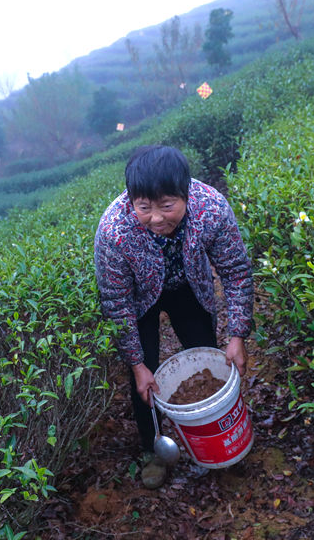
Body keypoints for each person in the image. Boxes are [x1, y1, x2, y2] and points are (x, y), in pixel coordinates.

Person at [93, 145, 253, 489]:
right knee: (145, 380)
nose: (156, 218)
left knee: (207, 358)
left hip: (187, 286)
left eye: (167, 206)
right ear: (131, 200)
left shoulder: (210, 208)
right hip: (138, 300)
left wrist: (237, 335)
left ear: (186, 193)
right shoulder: (113, 231)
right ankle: (153, 450)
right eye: (144, 207)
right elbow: (116, 303)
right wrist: (137, 365)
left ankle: (215, 435)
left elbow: (236, 271)